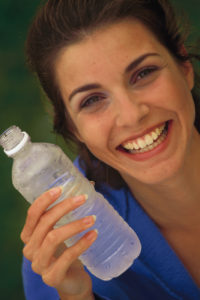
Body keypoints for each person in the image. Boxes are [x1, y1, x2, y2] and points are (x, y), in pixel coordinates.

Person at [20, 0, 200, 299]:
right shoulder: (64, 246)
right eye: (91, 100)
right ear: (73, 127)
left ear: (184, 65)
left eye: (143, 73)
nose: (132, 115)